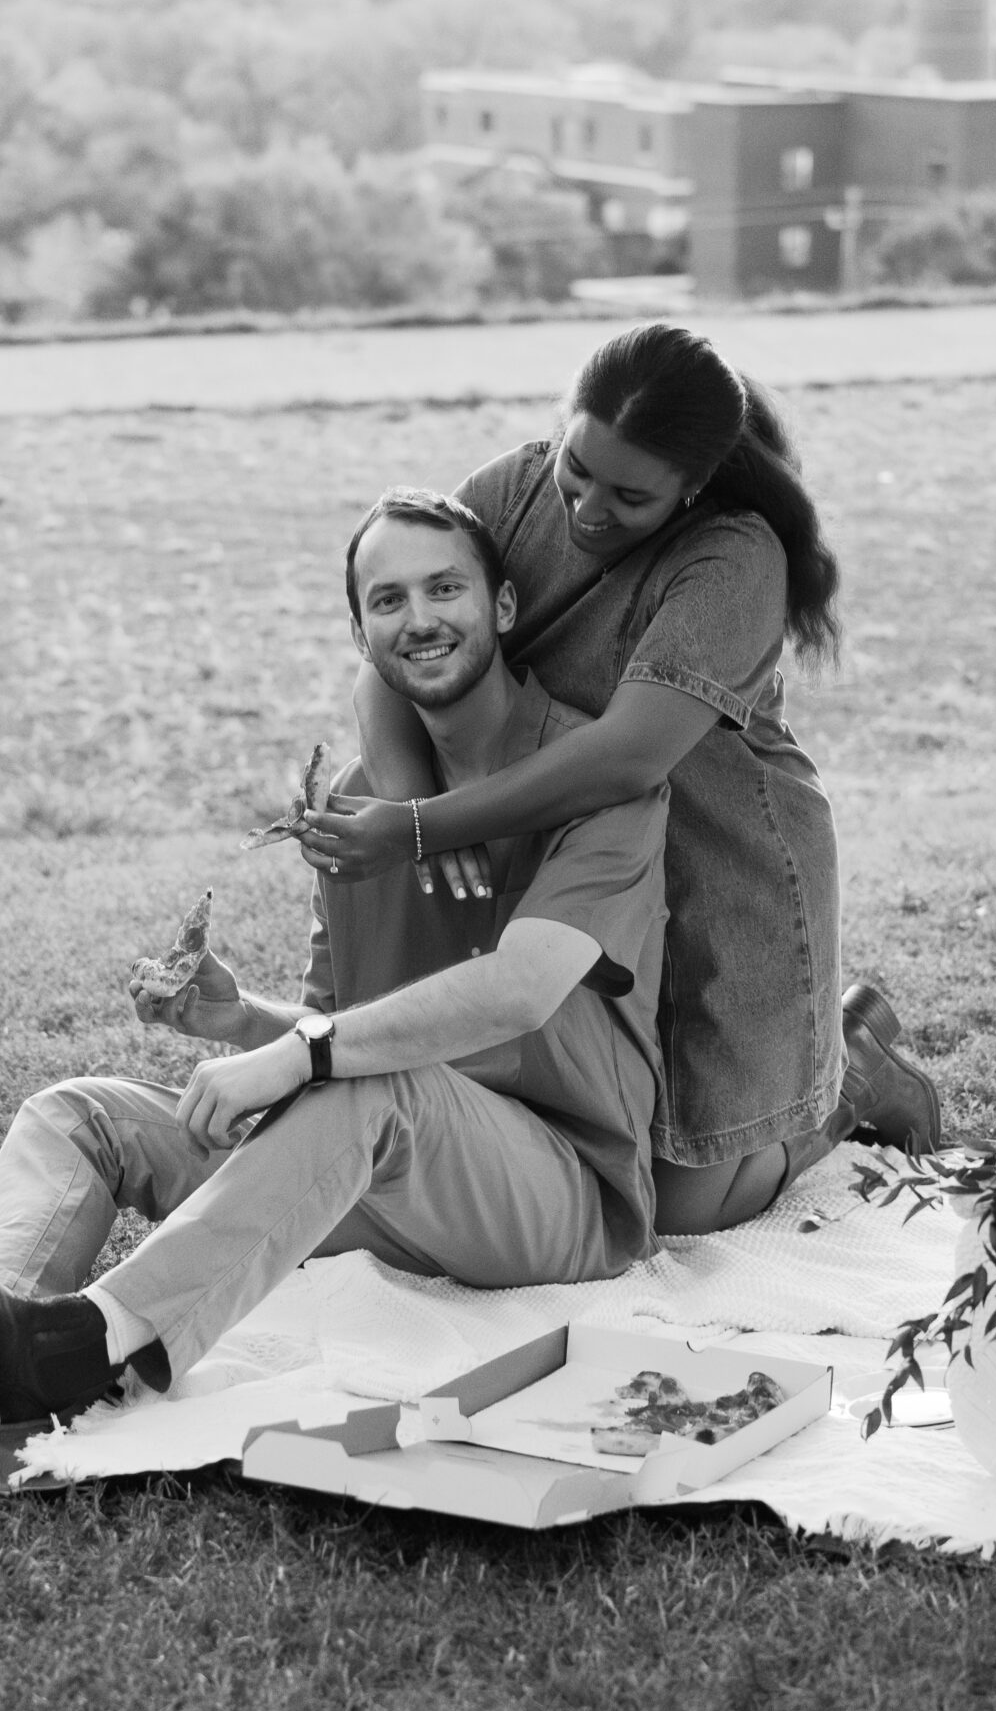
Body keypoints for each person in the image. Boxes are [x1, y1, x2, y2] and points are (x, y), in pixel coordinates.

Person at [0, 488, 672, 1428]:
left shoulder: (596, 786)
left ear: (500, 604)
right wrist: (246, 1019)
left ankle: (88, 1342)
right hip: (385, 1169)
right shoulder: (354, 806)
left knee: (365, 1084)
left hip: (552, 1196)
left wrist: (298, 1053)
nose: (419, 617)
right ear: (361, 636)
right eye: (387, 600)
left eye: (443, 589)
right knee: (81, 1114)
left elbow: (518, 993)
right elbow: (333, 1053)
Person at [303, 322, 940, 1236]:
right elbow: (391, 655)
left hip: (723, 855)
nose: (589, 510)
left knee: (683, 1202)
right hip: (583, 854)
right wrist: (415, 805)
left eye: (630, 496)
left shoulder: (734, 556)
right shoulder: (511, 492)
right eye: (578, 468)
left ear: (694, 486)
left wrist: (422, 829)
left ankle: (857, 1066)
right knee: (587, 1145)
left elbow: (629, 753)